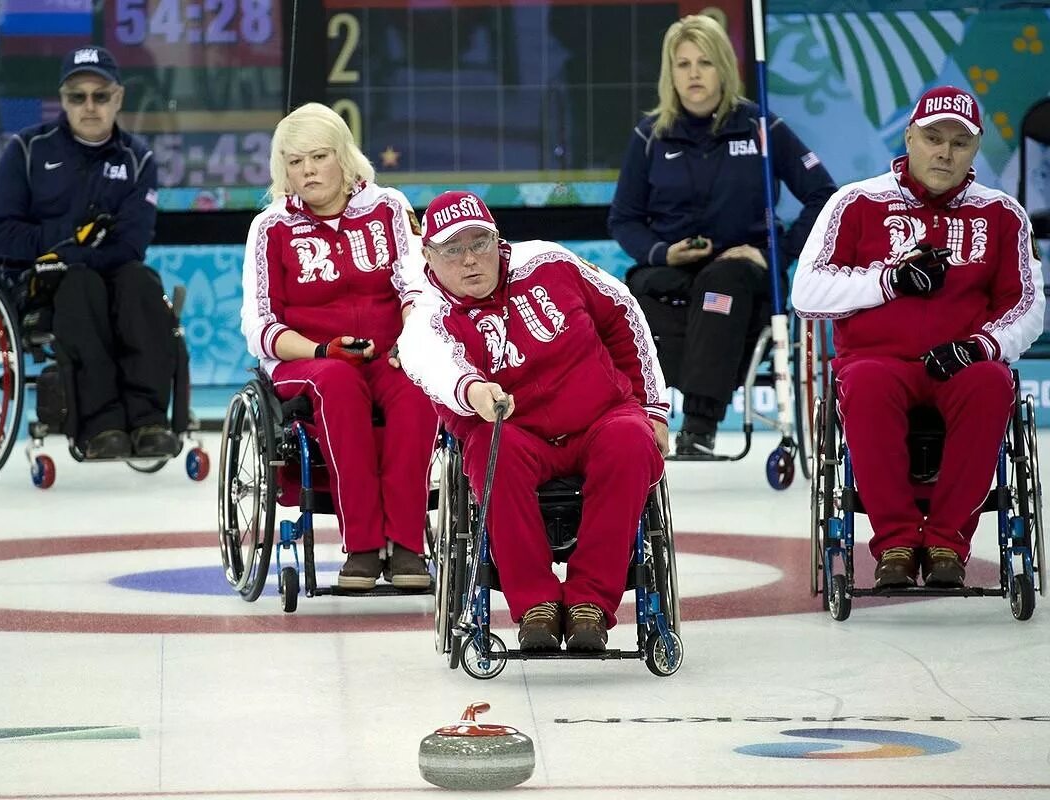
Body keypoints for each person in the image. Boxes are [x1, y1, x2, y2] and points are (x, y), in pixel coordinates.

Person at [792, 85, 1045, 588]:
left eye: (959, 143)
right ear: (910, 137)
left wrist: (981, 345)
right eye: (933, 138)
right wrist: (888, 280)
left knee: (992, 383)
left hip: (962, 359)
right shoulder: (856, 202)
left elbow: (1028, 304)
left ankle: (949, 543)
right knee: (865, 385)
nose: (944, 152)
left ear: (975, 150)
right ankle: (897, 545)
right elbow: (806, 292)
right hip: (877, 360)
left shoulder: (1002, 214)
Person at [399, 191, 671, 652]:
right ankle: (537, 604)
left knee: (631, 440)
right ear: (428, 253)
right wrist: (474, 391)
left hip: (600, 416)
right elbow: (431, 363)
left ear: (497, 239)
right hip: (511, 428)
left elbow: (623, 311)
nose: (470, 260)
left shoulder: (549, 263)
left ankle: (589, 603)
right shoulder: (427, 313)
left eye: (479, 243)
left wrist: (654, 408)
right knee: (492, 451)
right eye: (453, 250)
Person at [609, 14, 836, 455]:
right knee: (635, 292)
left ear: (724, 69)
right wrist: (663, 252)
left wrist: (779, 256)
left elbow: (823, 194)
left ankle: (699, 424)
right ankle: (642, 420)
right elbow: (624, 219)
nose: (693, 74)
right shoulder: (650, 135)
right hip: (674, 270)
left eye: (705, 63)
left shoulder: (761, 128)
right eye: (683, 64)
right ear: (669, 73)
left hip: (741, 275)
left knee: (721, 285)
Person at [240, 102, 438, 591]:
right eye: (294, 161)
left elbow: (416, 289)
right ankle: (364, 547)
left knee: (417, 386)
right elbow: (259, 323)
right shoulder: (270, 228)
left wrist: (410, 345)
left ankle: (409, 545)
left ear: (344, 157)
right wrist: (321, 350)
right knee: (340, 384)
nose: (306, 170)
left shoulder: (388, 208)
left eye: (318, 156)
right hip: (308, 361)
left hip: (389, 353)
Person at [0, 46, 177, 460]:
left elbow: (131, 243)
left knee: (142, 282)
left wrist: (78, 255)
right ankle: (100, 425)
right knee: (80, 285)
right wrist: (69, 241)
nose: (89, 106)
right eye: (77, 96)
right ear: (63, 100)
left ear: (119, 98)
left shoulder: (138, 159)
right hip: (43, 283)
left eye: (100, 95)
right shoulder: (27, 150)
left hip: (111, 273)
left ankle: (149, 421)